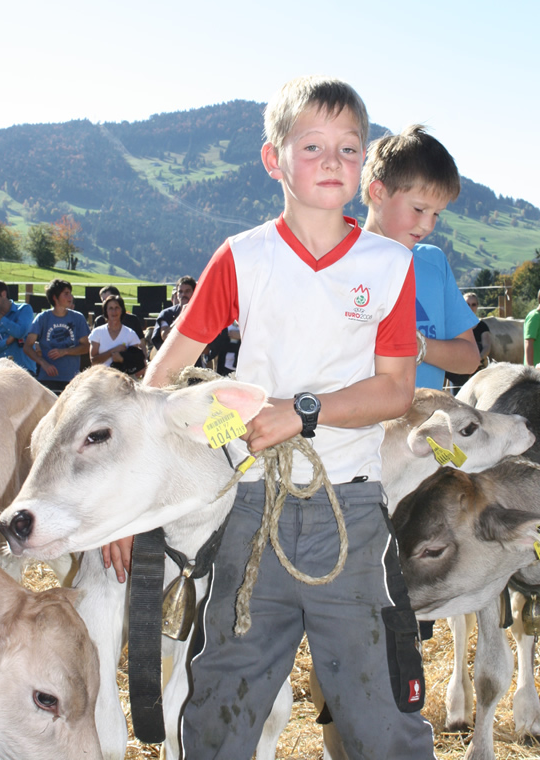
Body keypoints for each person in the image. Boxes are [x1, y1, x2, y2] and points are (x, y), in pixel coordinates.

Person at [104, 76, 435, 760]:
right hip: (254, 510)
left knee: (384, 719)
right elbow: (162, 378)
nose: (332, 160)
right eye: (311, 145)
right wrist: (125, 503)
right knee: (219, 708)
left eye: (349, 148)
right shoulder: (243, 257)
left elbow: (396, 390)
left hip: (351, 514)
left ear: (363, 163)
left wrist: (303, 412)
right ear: (272, 159)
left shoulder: (389, 265)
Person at [361, 125, 479, 390]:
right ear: (378, 193)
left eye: (436, 214)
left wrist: (417, 346)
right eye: (418, 209)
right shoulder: (339, 262)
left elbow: (470, 359)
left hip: (426, 417)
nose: (428, 225)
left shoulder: (434, 263)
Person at [23, 279, 89, 394]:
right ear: (55, 297)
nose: (70, 297)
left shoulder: (78, 318)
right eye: (66, 294)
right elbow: (27, 347)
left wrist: (65, 351)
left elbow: (86, 347)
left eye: (70, 293)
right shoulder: (42, 318)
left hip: (72, 380)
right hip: (47, 379)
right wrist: (43, 363)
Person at [0, 280, 35, 370]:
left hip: (24, 370)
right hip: (1, 371)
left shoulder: (23, 309)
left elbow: (20, 332)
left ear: (3, 294)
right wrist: (6, 342)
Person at [445, 293, 492, 393]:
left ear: (477, 306)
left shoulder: (482, 326)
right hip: (456, 371)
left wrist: (478, 358)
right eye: (467, 304)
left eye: (473, 304)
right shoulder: (453, 325)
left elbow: (487, 346)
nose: (470, 307)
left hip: (477, 371)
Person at [88, 294, 144, 368]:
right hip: (101, 374)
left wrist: (122, 359)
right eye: (110, 308)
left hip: (123, 374)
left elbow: (137, 361)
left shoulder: (130, 334)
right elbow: (93, 361)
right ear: (106, 311)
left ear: (122, 310)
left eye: (117, 308)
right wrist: (113, 351)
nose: (114, 311)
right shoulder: (97, 333)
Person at [152, 276, 196, 348]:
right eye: (180, 292)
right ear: (177, 294)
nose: (183, 294)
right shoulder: (166, 314)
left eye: (187, 291)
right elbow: (165, 336)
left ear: (194, 293)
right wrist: (181, 316)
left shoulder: (202, 314)